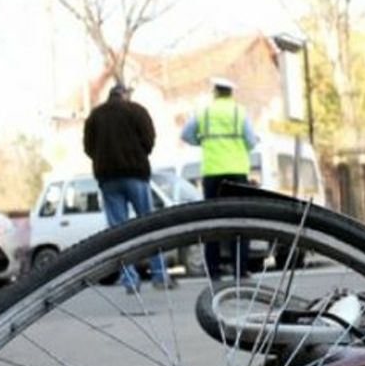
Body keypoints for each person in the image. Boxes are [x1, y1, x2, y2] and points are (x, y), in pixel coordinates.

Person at [83, 82, 176, 293]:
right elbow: (149, 140)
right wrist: (137, 154)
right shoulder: (136, 111)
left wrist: (103, 159)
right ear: (125, 95)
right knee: (148, 226)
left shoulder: (95, 116)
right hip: (135, 174)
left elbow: (88, 147)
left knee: (119, 232)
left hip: (108, 177)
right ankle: (160, 276)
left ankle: (130, 280)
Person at [181, 77, 257, 278]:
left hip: (212, 172)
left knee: (213, 221)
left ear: (215, 92)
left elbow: (186, 134)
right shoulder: (239, 112)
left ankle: (213, 271)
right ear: (231, 93)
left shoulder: (203, 112)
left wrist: (202, 142)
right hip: (237, 172)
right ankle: (240, 270)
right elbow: (251, 140)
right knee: (239, 221)